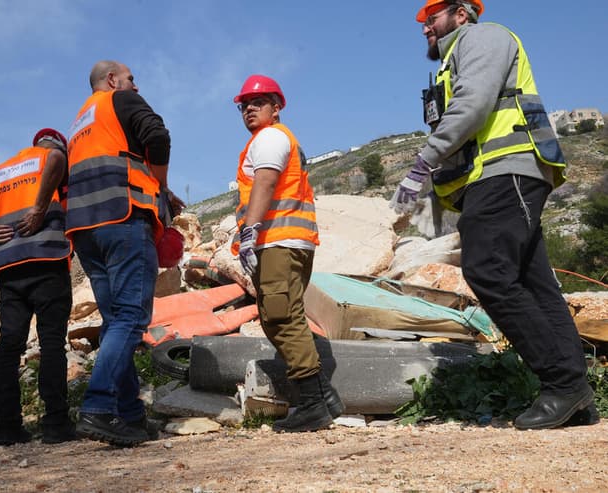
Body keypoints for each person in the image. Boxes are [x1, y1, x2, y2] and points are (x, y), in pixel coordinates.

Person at [392, 0, 597, 429]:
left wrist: (422, 163)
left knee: (487, 271)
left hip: (507, 173)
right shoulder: (454, 60)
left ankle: (562, 384)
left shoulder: (484, 38)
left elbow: (475, 104)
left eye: (431, 18)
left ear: (461, 14)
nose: (424, 27)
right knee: (533, 284)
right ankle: (576, 392)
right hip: (502, 176)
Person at [67, 60, 184, 446]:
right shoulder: (119, 99)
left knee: (116, 319)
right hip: (123, 217)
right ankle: (99, 407)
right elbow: (158, 135)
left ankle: (130, 415)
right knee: (131, 318)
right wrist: (162, 187)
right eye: (132, 79)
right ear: (113, 80)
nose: (136, 86)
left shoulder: (80, 123)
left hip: (85, 230)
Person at [231, 75, 343, 433]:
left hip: (280, 241)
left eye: (258, 101)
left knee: (283, 318)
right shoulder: (271, 138)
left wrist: (249, 230)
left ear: (276, 108)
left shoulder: (271, 137)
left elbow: (265, 182)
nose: (249, 107)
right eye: (244, 104)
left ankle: (312, 405)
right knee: (276, 317)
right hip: (284, 241)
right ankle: (324, 397)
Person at [0, 128, 76, 445]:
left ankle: (8, 427)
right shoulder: (55, 158)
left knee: (9, 346)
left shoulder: (1, 172)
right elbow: (59, 158)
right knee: (51, 343)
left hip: (9, 266)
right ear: (57, 144)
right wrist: (39, 209)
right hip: (46, 259)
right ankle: (56, 425)